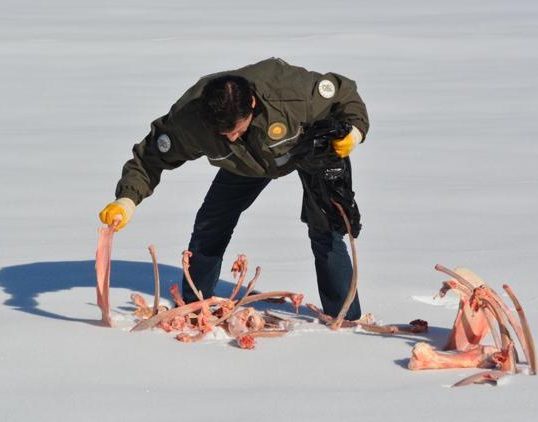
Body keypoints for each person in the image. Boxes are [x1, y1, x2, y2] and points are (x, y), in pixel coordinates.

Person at [99, 58, 369, 320]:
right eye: (223, 134)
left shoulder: (293, 94)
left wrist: (354, 132)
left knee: (326, 229)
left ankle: (344, 318)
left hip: (313, 147)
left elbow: (345, 94)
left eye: (236, 130)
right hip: (245, 165)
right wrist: (127, 199)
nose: (230, 137)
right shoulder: (190, 121)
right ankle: (196, 306)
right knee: (211, 224)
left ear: (252, 103)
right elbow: (149, 158)